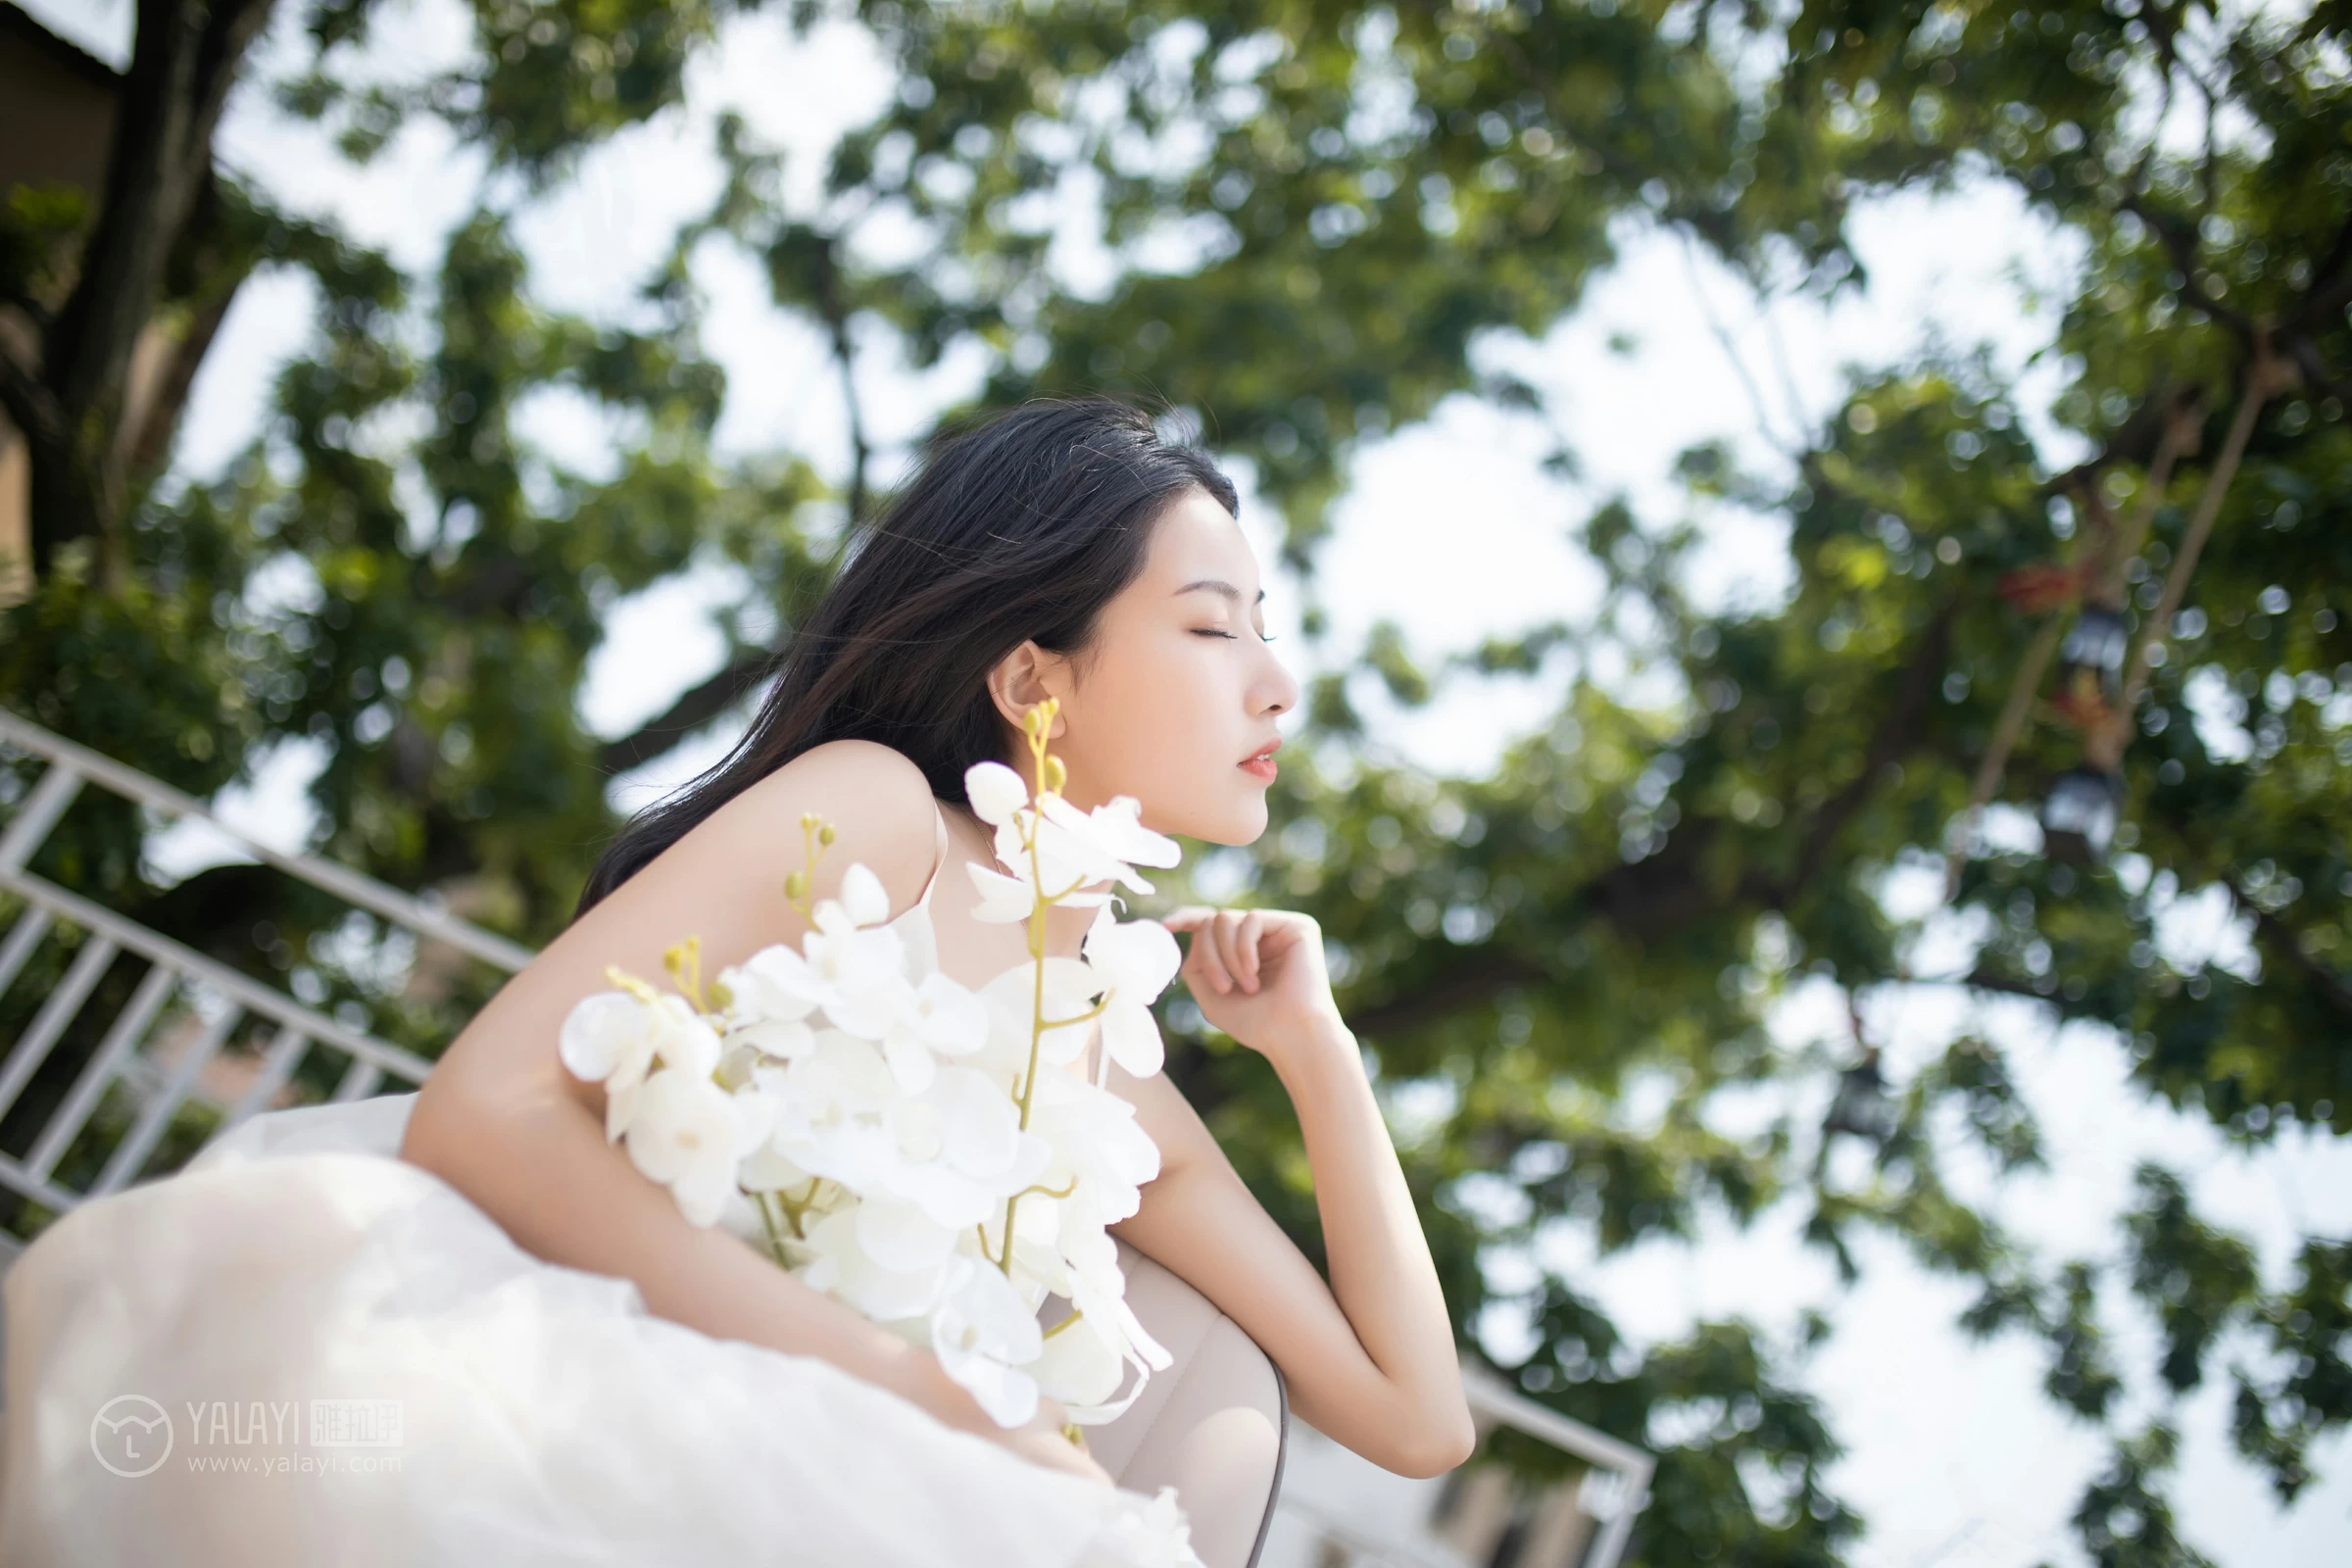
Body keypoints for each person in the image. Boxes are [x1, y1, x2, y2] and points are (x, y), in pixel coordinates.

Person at [0, 397, 1475, 1566]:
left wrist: (1315, 1046)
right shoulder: (880, 814)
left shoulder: (1104, 1050)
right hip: (581, 1397)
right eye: (1216, 626)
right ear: (1034, 681)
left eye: (1266, 627)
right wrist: (923, 1403)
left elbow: (1415, 1419)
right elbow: (488, 1110)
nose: (1276, 681)